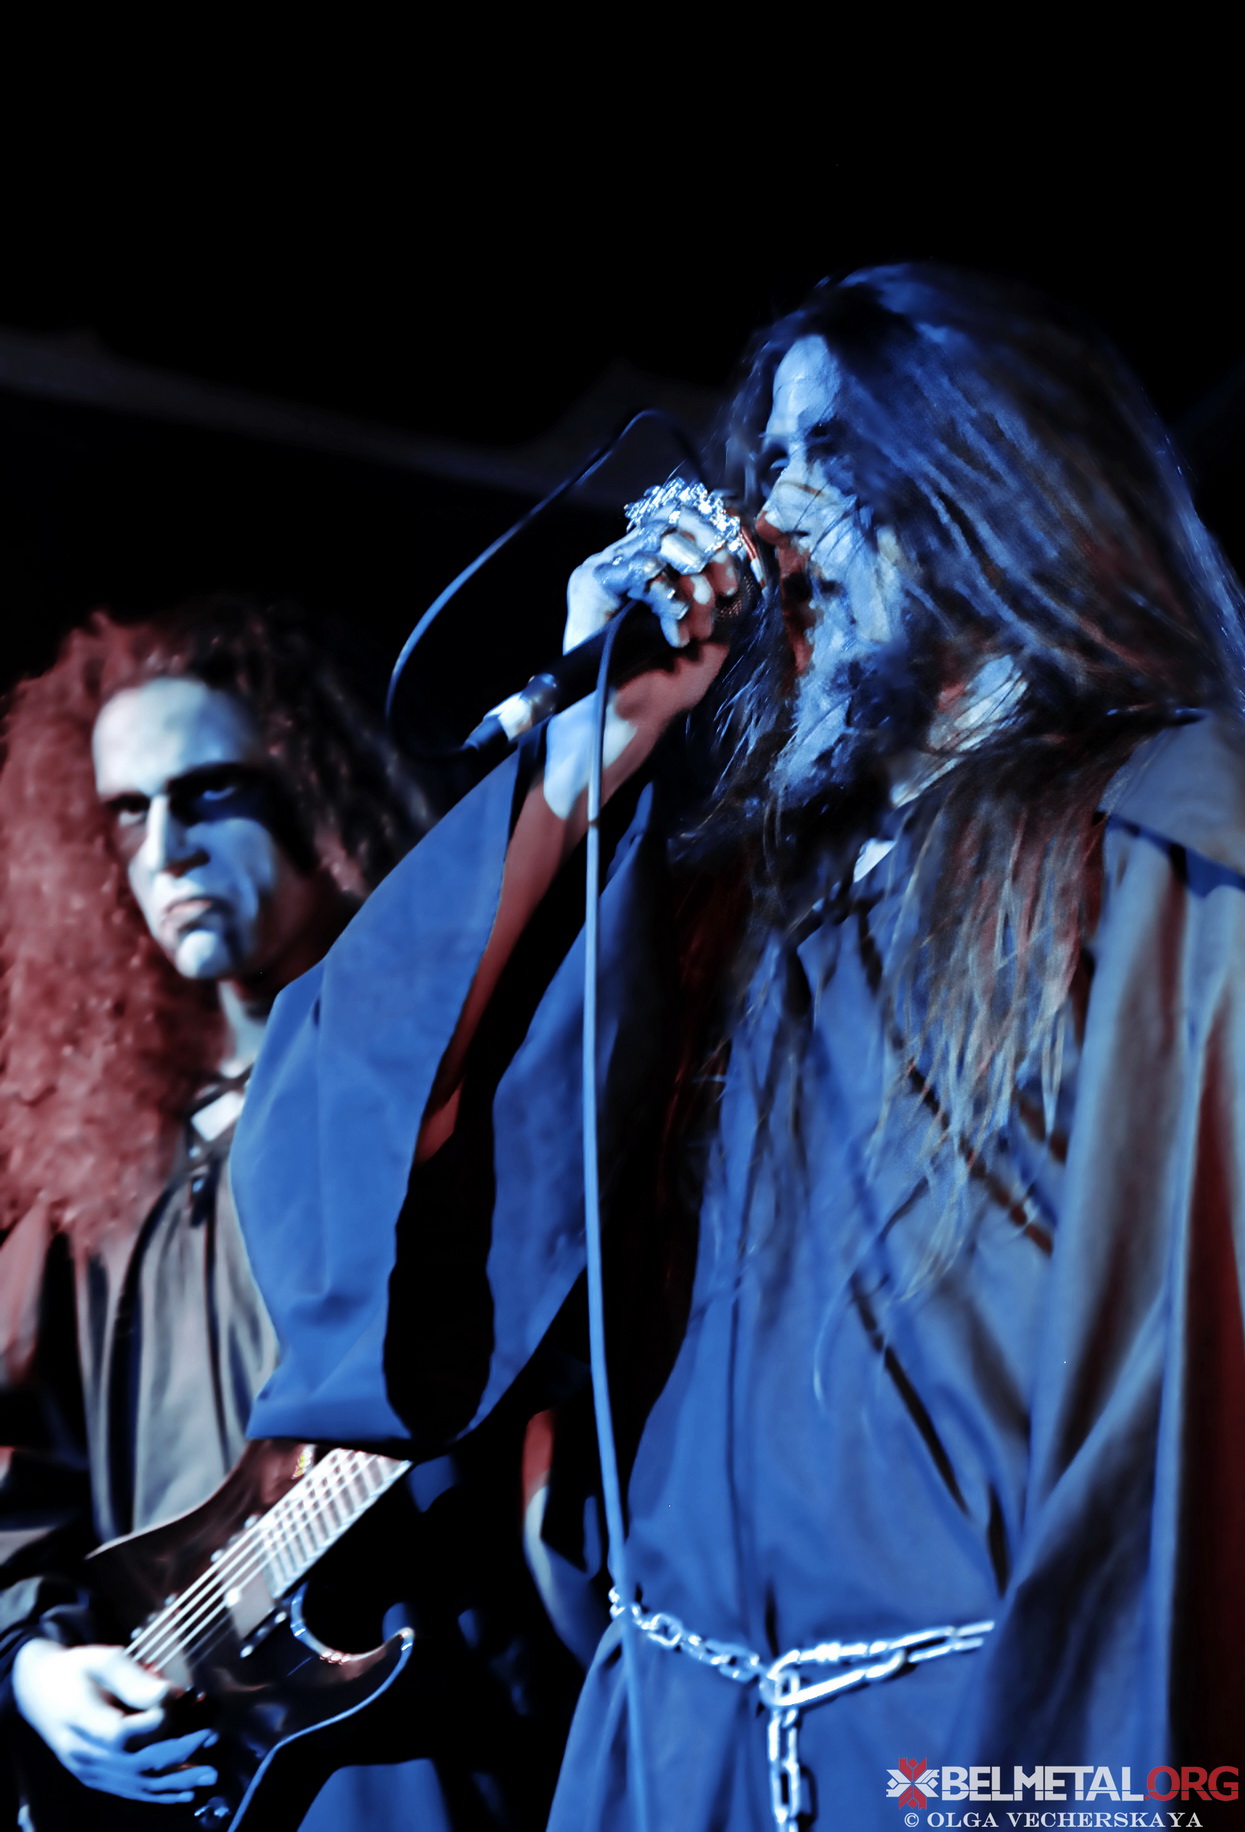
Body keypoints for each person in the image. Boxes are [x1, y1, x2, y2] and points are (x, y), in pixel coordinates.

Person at [231, 267, 1245, 1829]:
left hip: (960, 1769)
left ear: (992, 485)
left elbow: (1181, 1438)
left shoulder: (1168, 851)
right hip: (672, 1761)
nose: (769, 523)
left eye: (828, 458)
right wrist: (598, 743)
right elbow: (356, 1152)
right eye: (764, 463)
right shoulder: (721, 894)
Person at [0, 598, 579, 1830]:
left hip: (418, 1737)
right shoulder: (97, 1167)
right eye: (127, 812)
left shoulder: (431, 1083)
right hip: (176, 1754)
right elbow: (16, 1461)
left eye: (210, 792)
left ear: (319, 793)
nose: (166, 848)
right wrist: (34, 1665)